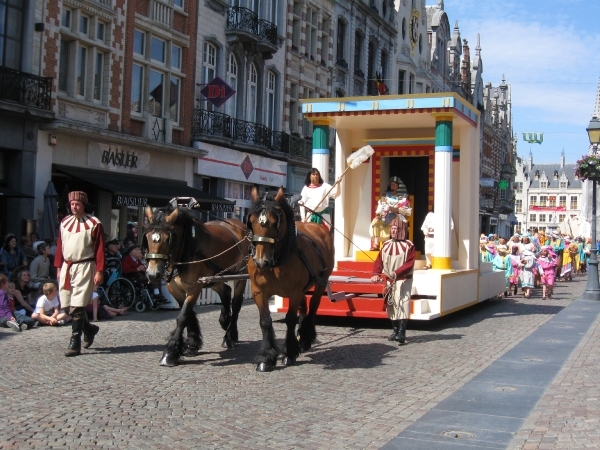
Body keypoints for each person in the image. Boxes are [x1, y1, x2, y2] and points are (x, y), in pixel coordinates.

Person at [54, 191, 105, 357]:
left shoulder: (94, 223)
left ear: (84, 205)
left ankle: (75, 342)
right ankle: (89, 329)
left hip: (85, 266)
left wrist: (99, 270)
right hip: (67, 266)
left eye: (77, 204)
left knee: (78, 305)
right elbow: (60, 245)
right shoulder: (64, 222)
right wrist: (58, 267)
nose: (74, 207)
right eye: (72, 204)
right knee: (68, 305)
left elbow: (99, 249)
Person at [370, 218, 415, 345]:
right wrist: (375, 274)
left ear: (402, 230)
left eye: (396, 229)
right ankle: (395, 330)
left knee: (402, 303)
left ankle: (402, 332)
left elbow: (409, 263)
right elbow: (379, 261)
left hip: (403, 280)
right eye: (392, 228)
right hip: (390, 280)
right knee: (391, 305)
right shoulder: (385, 244)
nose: (394, 231)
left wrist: (397, 273)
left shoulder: (409, 246)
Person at [370, 176, 412, 251]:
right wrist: (378, 215)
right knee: (375, 222)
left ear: (398, 187)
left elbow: (408, 211)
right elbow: (380, 207)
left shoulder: (402, 198)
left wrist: (396, 209)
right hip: (385, 216)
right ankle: (376, 244)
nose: (393, 186)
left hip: (397, 216)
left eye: (395, 184)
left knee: (393, 223)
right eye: (391, 184)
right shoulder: (385, 197)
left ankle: (388, 245)